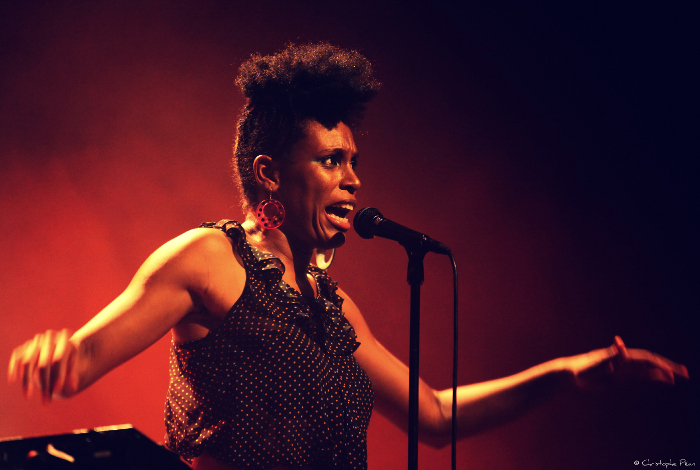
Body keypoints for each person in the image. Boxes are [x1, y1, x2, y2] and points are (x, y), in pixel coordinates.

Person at [7, 43, 689, 470]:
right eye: (332, 161)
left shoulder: (333, 313)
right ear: (270, 173)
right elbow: (82, 360)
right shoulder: (209, 258)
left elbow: (434, 417)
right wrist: (60, 356)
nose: (354, 180)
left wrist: (567, 373)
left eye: (354, 162)